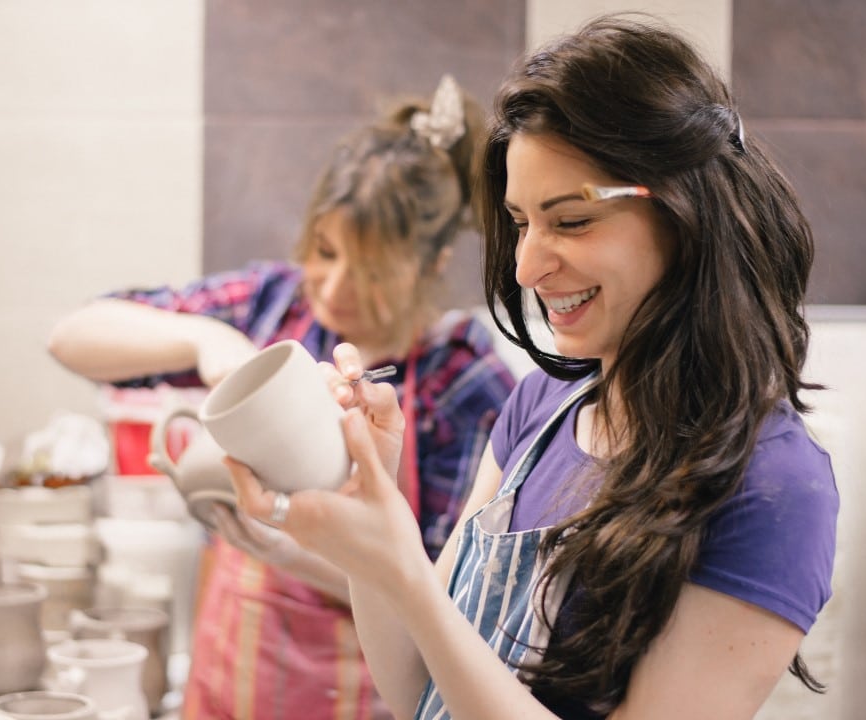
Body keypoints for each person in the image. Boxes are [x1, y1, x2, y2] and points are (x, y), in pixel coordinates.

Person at [227, 14, 839, 720]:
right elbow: (417, 692)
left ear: (685, 213)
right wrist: (373, 505)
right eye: (520, 222)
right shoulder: (540, 406)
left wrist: (402, 566)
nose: (526, 266)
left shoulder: (773, 490)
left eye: (571, 221)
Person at [48, 75, 517, 719]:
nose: (335, 286)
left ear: (433, 265)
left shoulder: (463, 383)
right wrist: (203, 338)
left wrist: (290, 550)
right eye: (325, 250)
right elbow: (73, 337)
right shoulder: (274, 306)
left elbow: (447, 599)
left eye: (372, 269)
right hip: (229, 682)